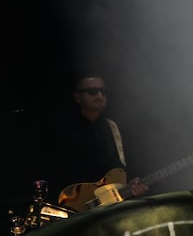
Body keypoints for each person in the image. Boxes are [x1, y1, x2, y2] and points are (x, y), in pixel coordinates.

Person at [43, 73, 147, 212]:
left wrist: (132, 183)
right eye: (92, 92)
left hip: (112, 209)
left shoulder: (113, 128)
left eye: (103, 91)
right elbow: (54, 172)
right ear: (77, 97)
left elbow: (122, 167)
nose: (99, 96)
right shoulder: (62, 130)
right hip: (74, 210)